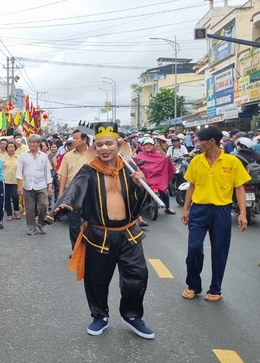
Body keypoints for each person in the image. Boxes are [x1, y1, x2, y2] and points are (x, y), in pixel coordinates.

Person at [47, 122, 153, 339]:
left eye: (109, 144)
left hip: (128, 233)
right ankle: (99, 316)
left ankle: (132, 316)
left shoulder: (129, 168)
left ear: (117, 145)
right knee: (97, 279)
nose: (105, 148)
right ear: (95, 148)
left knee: (138, 275)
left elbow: (139, 203)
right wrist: (62, 205)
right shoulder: (88, 170)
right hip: (99, 235)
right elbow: (75, 189)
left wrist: (141, 185)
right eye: (100, 144)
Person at [180, 126, 250, 303]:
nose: (197, 143)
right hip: (198, 210)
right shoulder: (196, 161)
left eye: (199, 140)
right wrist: (185, 209)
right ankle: (193, 285)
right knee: (194, 248)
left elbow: (239, 188)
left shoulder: (232, 162)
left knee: (219, 251)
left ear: (211, 141)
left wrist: (242, 213)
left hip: (222, 211)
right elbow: (192, 186)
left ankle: (215, 289)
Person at [57, 129, 93, 250]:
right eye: (73, 138)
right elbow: (63, 175)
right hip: (72, 193)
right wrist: (61, 193)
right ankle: (76, 249)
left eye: (77, 138)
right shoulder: (68, 156)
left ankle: (90, 248)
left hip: (90, 192)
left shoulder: (94, 154)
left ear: (84, 140)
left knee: (91, 221)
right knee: (74, 223)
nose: (74, 141)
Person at [16, 134, 53, 235]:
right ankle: (32, 228)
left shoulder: (44, 156)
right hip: (28, 186)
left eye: (34, 142)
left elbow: (47, 172)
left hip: (42, 185)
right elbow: (19, 172)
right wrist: (19, 186)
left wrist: (50, 185)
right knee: (30, 208)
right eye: (30, 142)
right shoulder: (23, 156)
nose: (32, 144)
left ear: (38, 144)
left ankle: (41, 223)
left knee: (44, 205)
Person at [134, 138, 176, 215]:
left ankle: (167, 208)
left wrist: (166, 159)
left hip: (157, 177)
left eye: (150, 145)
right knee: (137, 191)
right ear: (144, 146)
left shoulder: (158, 154)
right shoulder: (139, 155)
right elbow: (135, 163)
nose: (148, 146)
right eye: (146, 145)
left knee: (164, 191)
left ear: (153, 146)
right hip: (145, 178)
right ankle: (137, 208)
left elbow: (163, 160)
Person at [1, 141, 21, 221]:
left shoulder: (19, 157)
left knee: (15, 196)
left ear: (15, 148)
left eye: (12, 147)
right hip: (5, 180)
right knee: (6, 198)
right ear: (7, 148)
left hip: (15, 181)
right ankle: (9, 214)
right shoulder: (2, 158)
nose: (11, 149)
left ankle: (16, 210)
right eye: (9, 147)